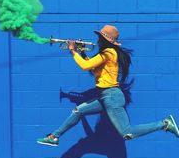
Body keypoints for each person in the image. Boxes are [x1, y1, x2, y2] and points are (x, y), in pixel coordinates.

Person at [37, 25, 179, 146]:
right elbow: (92, 68)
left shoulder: (109, 52)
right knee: (78, 111)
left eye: (100, 38)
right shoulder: (107, 54)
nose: (98, 40)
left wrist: (73, 50)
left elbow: (85, 66)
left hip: (111, 97)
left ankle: (164, 124)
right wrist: (81, 52)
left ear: (105, 40)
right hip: (104, 96)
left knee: (127, 133)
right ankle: (54, 137)